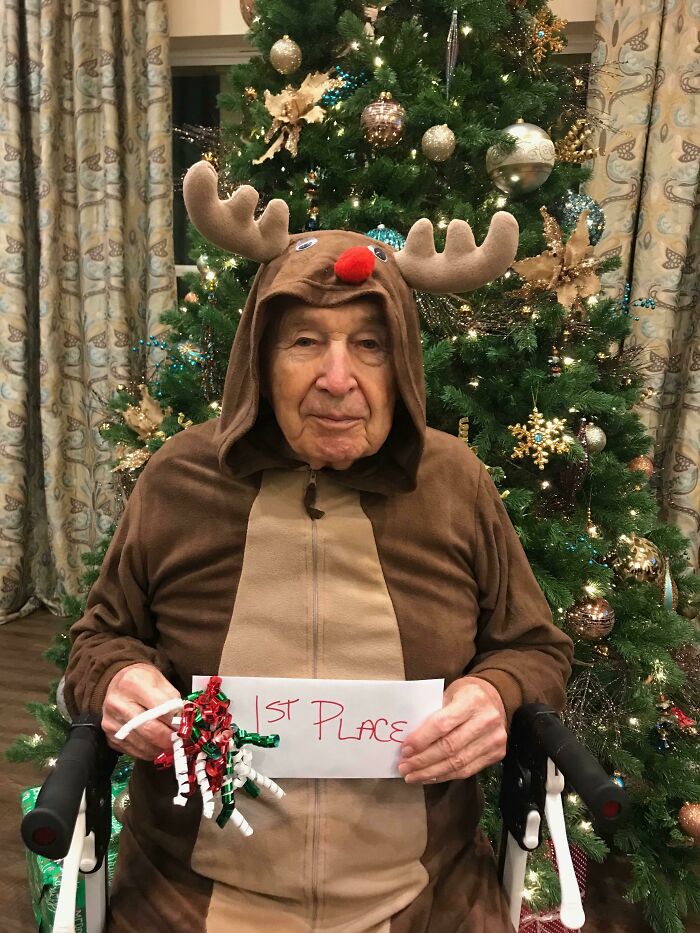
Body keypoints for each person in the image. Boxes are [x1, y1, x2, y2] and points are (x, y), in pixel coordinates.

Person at [65, 161, 573, 933]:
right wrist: (117, 676)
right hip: (187, 902)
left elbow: (536, 647)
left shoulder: (453, 482)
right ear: (261, 359)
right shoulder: (180, 478)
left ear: (401, 363)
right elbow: (96, 638)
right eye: (306, 340)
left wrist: (494, 691)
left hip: (425, 901)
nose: (338, 378)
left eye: (369, 345)